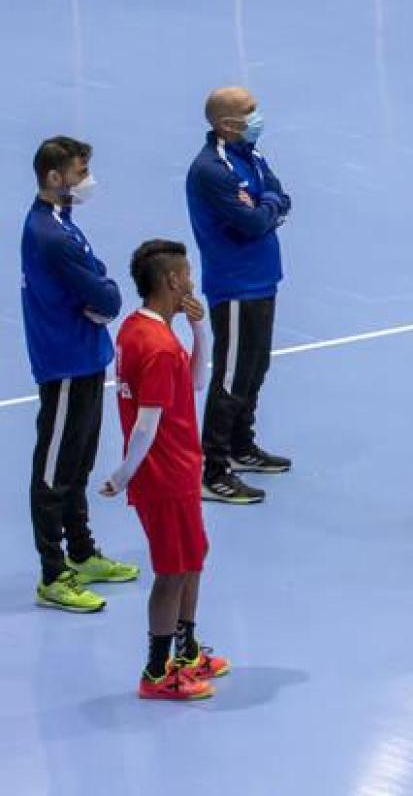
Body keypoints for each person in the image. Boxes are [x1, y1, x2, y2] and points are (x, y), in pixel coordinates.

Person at [99, 240, 232, 700]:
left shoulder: (138, 329)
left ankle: (186, 651)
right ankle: (156, 673)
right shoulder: (157, 347)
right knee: (172, 570)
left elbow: (195, 382)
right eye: (188, 274)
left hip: (179, 468)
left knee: (193, 556)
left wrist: (199, 330)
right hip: (165, 475)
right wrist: (123, 475)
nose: (192, 282)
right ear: (173, 280)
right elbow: (146, 425)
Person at [22, 136, 138, 613]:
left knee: (79, 462)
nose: (86, 180)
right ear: (55, 177)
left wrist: (100, 288)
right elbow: (107, 296)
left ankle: (83, 553)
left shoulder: (62, 223)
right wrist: (103, 294)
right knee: (54, 471)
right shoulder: (50, 234)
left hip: (86, 356)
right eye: (79, 172)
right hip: (65, 363)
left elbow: (99, 277)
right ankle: (53, 575)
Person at [186, 87, 293, 504]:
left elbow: (280, 197)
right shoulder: (212, 170)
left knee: (255, 367)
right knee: (231, 376)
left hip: (263, 278)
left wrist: (265, 204)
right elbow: (252, 223)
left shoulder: (251, 154)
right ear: (226, 124)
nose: (257, 116)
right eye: (249, 112)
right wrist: (266, 209)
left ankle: (239, 445)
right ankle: (213, 471)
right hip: (234, 286)